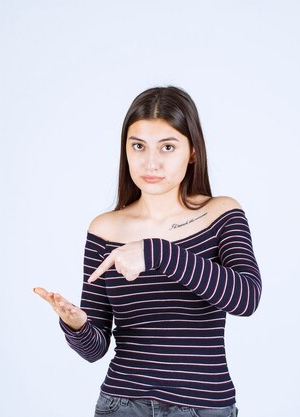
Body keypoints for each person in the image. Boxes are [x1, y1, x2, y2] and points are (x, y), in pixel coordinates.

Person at [34, 86, 261, 417]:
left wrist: (158, 252)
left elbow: (246, 298)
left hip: (203, 407)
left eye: (167, 147)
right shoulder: (105, 229)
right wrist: (77, 325)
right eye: (138, 146)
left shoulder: (221, 213)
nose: (150, 162)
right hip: (122, 404)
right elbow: (96, 349)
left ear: (193, 151)